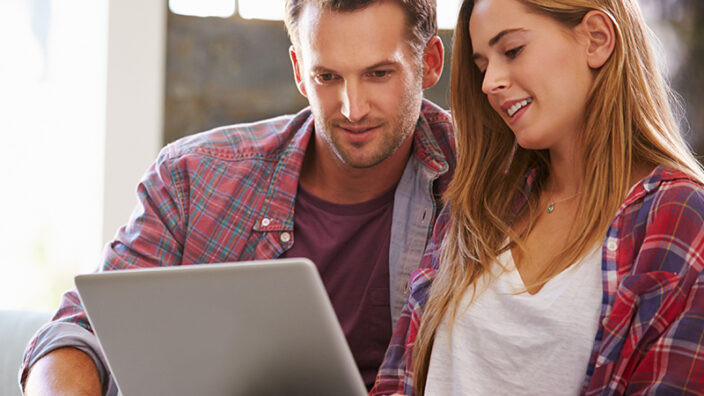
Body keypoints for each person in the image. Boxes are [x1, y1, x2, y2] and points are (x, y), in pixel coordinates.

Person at [20, 0, 455, 394]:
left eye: (379, 74)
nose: (352, 108)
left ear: (429, 62)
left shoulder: (482, 176)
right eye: (328, 76)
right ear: (299, 70)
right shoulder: (192, 177)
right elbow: (78, 331)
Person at [372, 0, 704, 395]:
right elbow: (396, 381)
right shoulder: (477, 208)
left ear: (597, 39)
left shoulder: (679, 217)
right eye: (482, 65)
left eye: (512, 51)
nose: (489, 82)